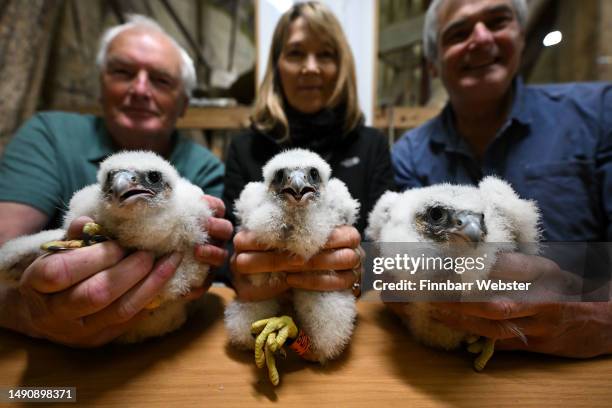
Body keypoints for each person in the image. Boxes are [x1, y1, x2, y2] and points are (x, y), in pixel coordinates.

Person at [390, 0, 612, 357]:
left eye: (497, 21)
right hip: (446, 372)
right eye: (459, 33)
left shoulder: (599, 116)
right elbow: (393, 273)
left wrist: (598, 316)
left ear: (521, 37)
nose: (480, 38)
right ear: (433, 63)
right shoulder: (408, 155)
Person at [0, 15, 232, 347]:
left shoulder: (202, 170)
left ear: (183, 102)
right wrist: (25, 312)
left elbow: (198, 277)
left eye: (161, 80)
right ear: (100, 84)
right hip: (44, 360)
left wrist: (203, 272)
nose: (140, 89)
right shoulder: (49, 135)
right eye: (123, 72)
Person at [223, 2, 395, 301]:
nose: (311, 67)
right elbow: (228, 252)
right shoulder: (245, 148)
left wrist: (359, 274)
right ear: (277, 65)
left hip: (349, 318)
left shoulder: (371, 146)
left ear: (342, 65)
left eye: (325, 54)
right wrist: (239, 269)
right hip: (265, 313)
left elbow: (387, 245)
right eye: (296, 53)